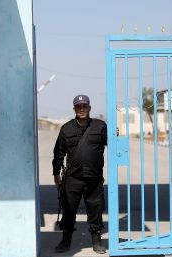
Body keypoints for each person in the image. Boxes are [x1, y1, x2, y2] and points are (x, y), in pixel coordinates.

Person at [52, 94, 107, 254]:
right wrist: (56, 174)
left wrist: (114, 134)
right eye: (78, 106)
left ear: (89, 108)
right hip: (72, 179)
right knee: (69, 210)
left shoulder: (100, 126)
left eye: (84, 106)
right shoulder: (66, 128)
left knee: (95, 210)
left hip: (94, 178)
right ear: (74, 108)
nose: (81, 109)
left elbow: (111, 143)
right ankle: (65, 241)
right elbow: (58, 153)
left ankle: (96, 242)